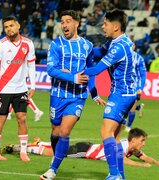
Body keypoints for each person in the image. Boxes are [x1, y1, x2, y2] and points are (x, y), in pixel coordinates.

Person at [40, 10, 106, 180]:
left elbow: (90, 72)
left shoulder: (87, 46)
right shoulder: (56, 45)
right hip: (57, 95)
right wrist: (72, 77)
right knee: (55, 130)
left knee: (64, 131)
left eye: (68, 21)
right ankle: (57, 156)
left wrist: (94, 93)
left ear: (76, 23)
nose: (64, 25)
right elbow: (50, 69)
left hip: (78, 96)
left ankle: (52, 169)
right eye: (62, 22)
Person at [81, 9, 137, 179]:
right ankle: (120, 175)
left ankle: (114, 175)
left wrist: (76, 71)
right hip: (128, 93)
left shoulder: (118, 47)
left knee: (106, 132)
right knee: (116, 136)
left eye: (105, 23)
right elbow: (98, 53)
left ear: (116, 26)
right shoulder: (119, 41)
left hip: (121, 94)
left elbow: (97, 69)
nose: (102, 26)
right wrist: (85, 48)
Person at [0, 16, 36, 162]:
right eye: (6, 27)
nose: (9, 29)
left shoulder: (28, 44)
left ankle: (23, 151)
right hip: (3, 89)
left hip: (21, 89)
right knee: (1, 118)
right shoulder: (0, 44)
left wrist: (33, 85)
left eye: (11, 25)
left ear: (18, 26)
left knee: (22, 118)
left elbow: (31, 65)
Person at [2, 128, 159, 167]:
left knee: (56, 150)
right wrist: (141, 165)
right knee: (52, 154)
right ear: (134, 139)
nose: (143, 143)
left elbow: (143, 156)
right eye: (142, 140)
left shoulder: (132, 148)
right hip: (84, 151)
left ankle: (38, 142)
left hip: (86, 147)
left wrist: (155, 162)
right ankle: (22, 148)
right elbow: (122, 161)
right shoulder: (121, 146)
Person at [125, 51, 147, 132]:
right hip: (124, 85)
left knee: (132, 107)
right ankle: (139, 107)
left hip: (135, 86)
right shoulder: (122, 54)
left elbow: (143, 74)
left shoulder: (139, 58)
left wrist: (140, 87)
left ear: (134, 46)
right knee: (126, 106)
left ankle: (128, 127)